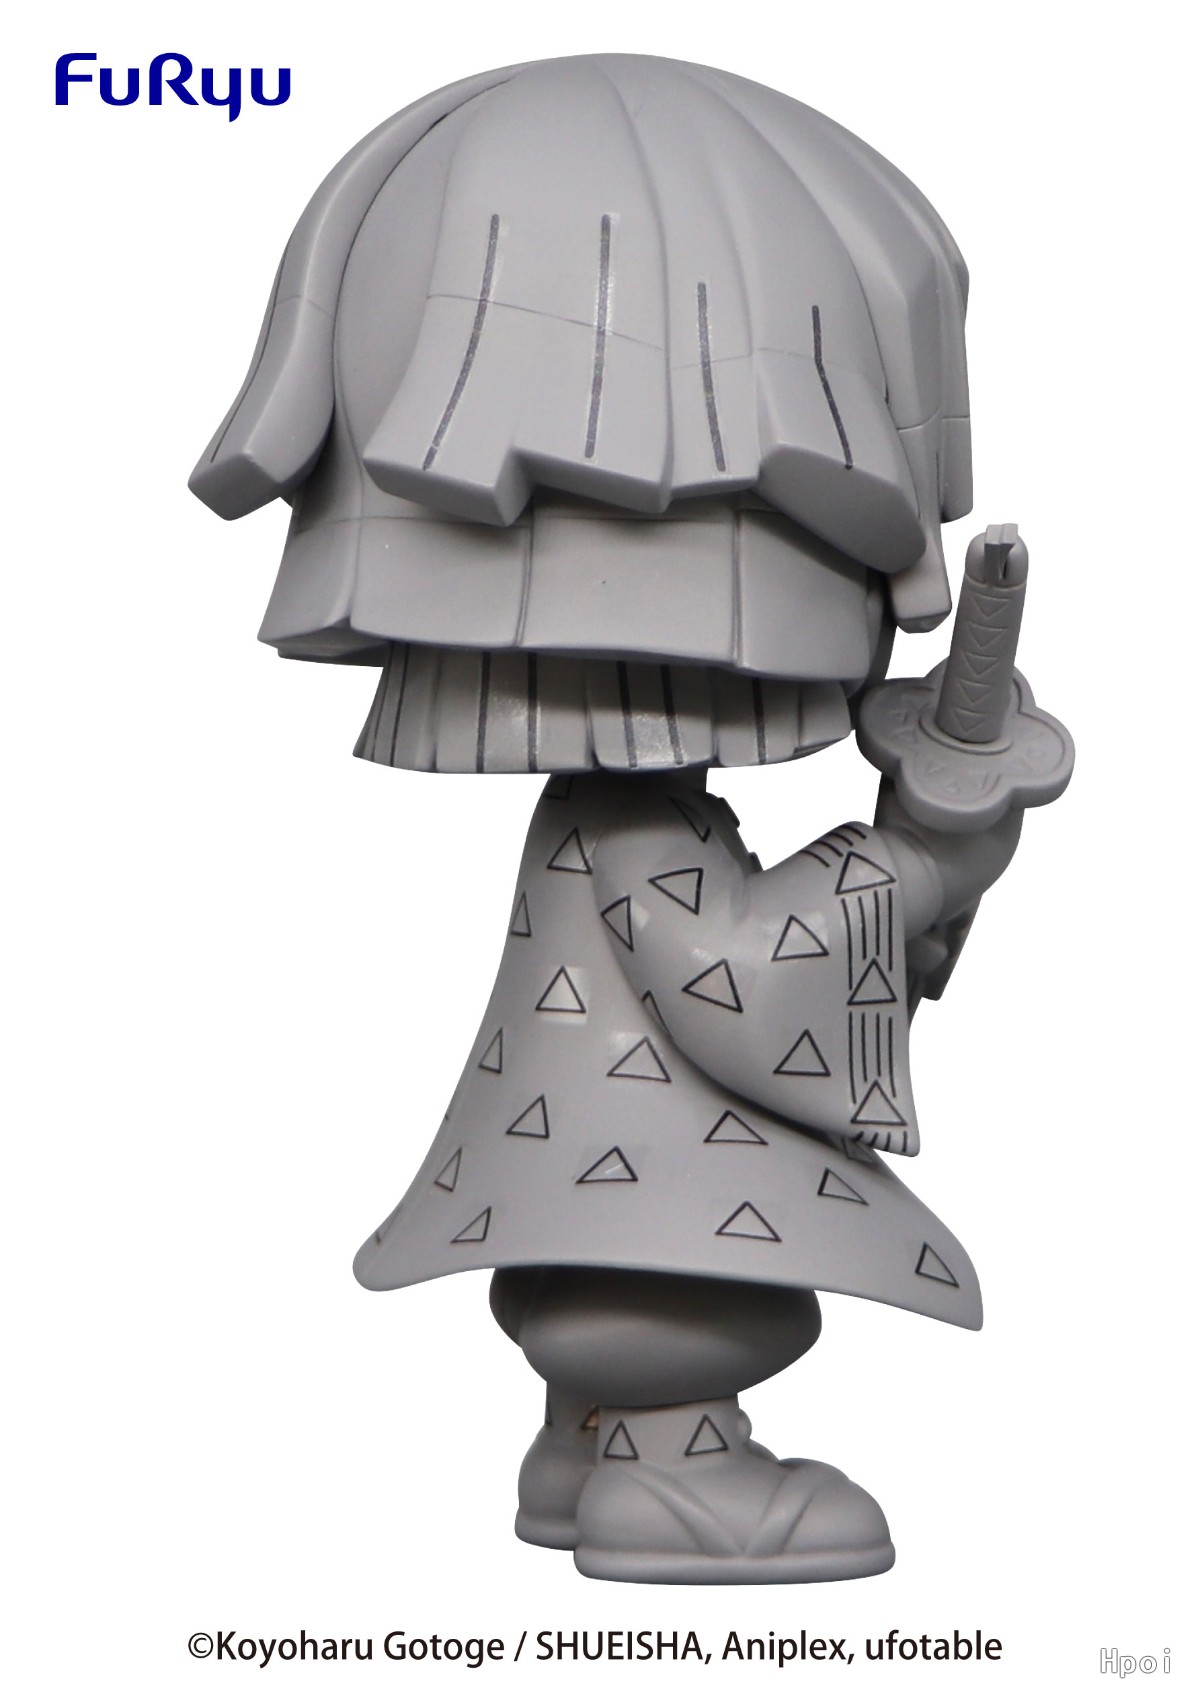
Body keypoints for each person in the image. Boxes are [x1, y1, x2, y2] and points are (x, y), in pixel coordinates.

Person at [191, 54, 1060, 1582]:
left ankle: (589, 1433)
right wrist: (913, 859)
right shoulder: (641, 834)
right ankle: (667, 1460)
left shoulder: (606, 819)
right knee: (721, 1291)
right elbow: (745, 978)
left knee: (659, 1276)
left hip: (577, 1207)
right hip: (645, 1216)